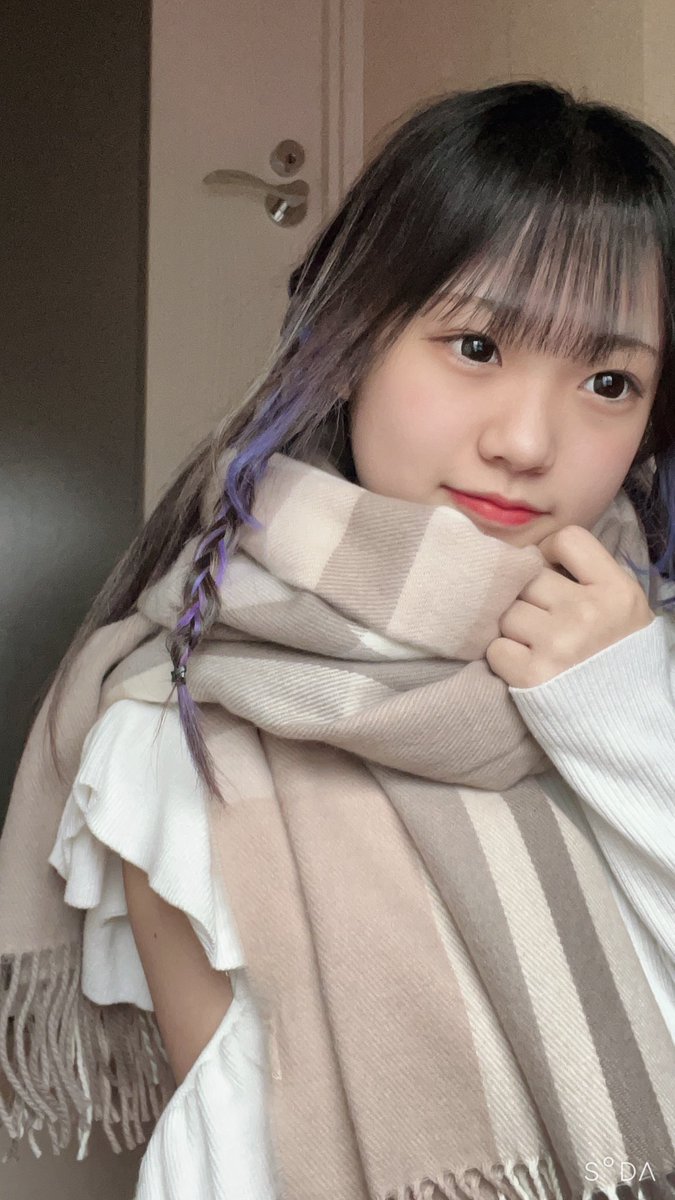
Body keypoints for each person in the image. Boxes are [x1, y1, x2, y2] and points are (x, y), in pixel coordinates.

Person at [1, 78, 674, 1200]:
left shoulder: (641, 672)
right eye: (475, 345)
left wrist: (621, 706)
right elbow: (233, 1150)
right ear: (353, 336)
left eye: (610, 380)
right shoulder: (175, 724)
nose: (526, 440)